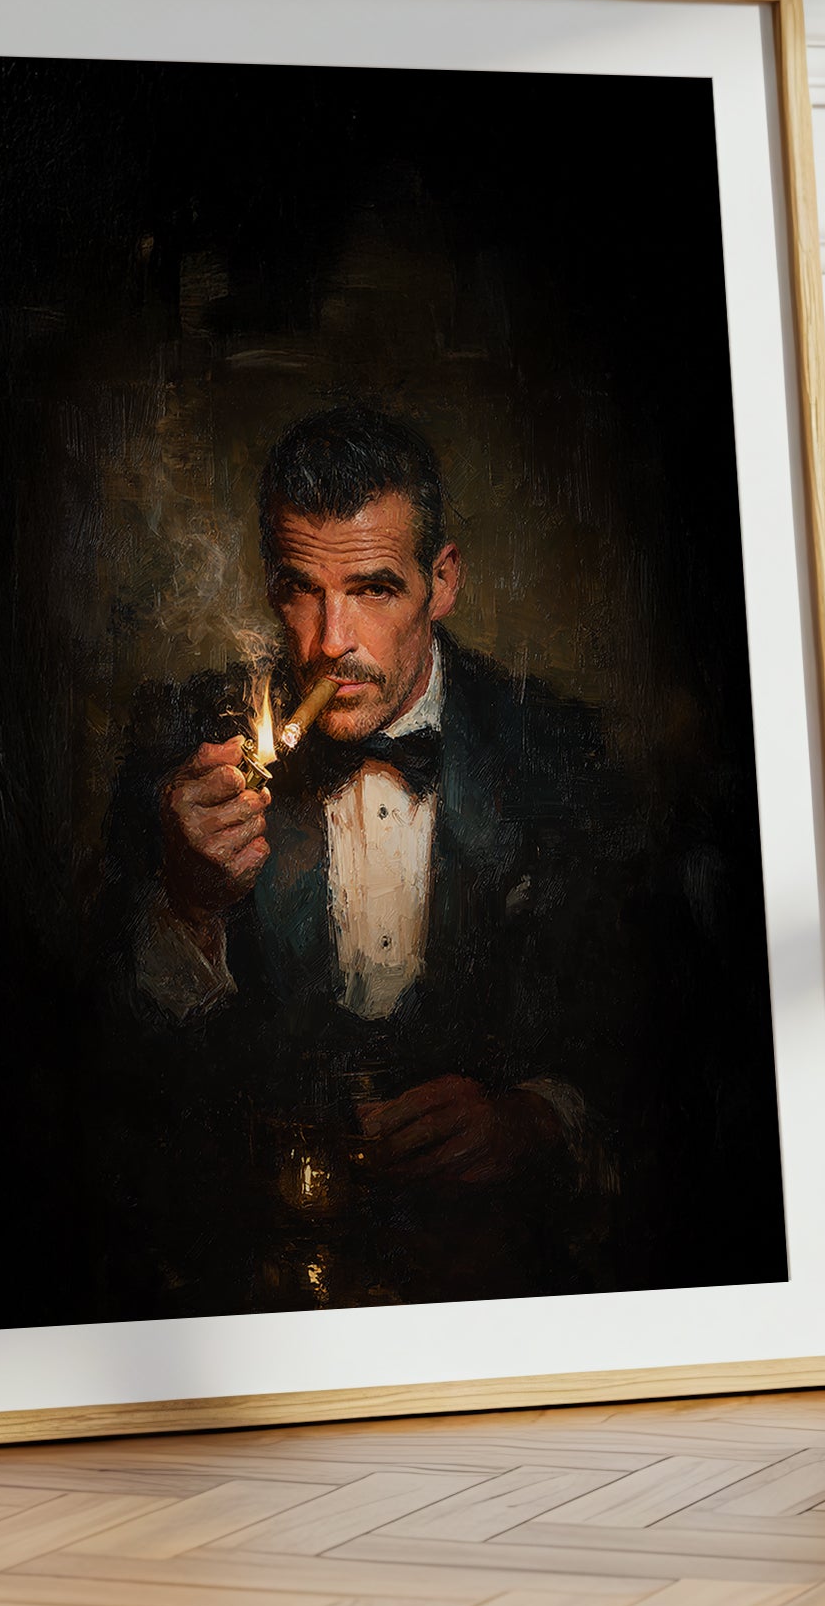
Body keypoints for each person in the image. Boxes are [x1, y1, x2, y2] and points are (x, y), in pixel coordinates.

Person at [87, 404, 644, 1314]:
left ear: (444, 580)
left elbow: (653, 1046)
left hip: (509, 1290)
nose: (329, 641)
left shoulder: (561, 754)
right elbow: (102, 1078)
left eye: (375, 589)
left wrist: (533, 1119)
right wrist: (186, 909)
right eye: (302, 588)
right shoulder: (177, 750)